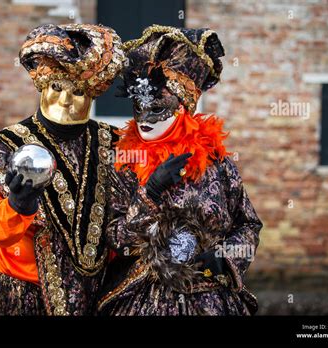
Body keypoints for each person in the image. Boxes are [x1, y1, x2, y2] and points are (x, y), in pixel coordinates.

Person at [98, 25, 263, 315]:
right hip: (145, 299)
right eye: (139, 108)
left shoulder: (218, 165)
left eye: (157, 108)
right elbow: (115, 238)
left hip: (212, 299)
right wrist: (149, 193)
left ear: (183, 108)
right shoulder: (124, 162)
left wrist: (225, 257)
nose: (145, 119)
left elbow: (248, 225)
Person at [0, 23, 125, 315]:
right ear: (42, 85)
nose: (65, 100)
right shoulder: (9, 147)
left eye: (77, 91)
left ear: (92, 93)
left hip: (98, 295)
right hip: (25, 297)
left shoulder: (114, 143)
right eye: (57, 87)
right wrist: (17, 205)